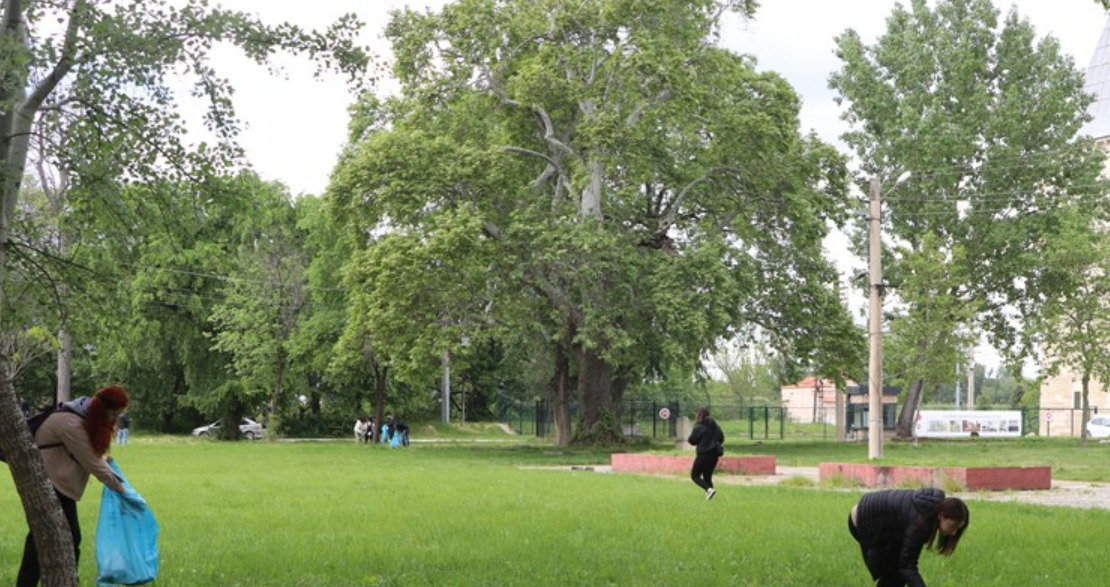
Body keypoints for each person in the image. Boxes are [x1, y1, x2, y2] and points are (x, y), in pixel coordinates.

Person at [17, 385, 129, 587]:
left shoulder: (80, 417)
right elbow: (91, 461)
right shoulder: (70, 422)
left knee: (42, 538)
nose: (114, 419)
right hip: (50, 485)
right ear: (102, 408)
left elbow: (91, 455)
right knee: (62, 537)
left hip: (58, 485)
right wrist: (124, 492)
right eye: (114, 413)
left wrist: (104, 461)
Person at [848, 487, 969, 587]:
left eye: (957, 529)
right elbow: (907, 565)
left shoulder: (931, 507)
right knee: (895, 574)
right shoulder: (921, 521)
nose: (954, 533)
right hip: (864, 519)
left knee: (895, 574)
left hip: (879, 520)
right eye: (953, 526)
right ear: (942, 516)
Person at [687, 406, 724, 500]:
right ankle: (710, 496)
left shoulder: (699, 427)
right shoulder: (715, 426)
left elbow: (692, 441)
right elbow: (722, 438)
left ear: (699, 415)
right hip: (714, 455)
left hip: (703, 454)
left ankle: (709, 489)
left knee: (695, 475)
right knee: (707, 477)